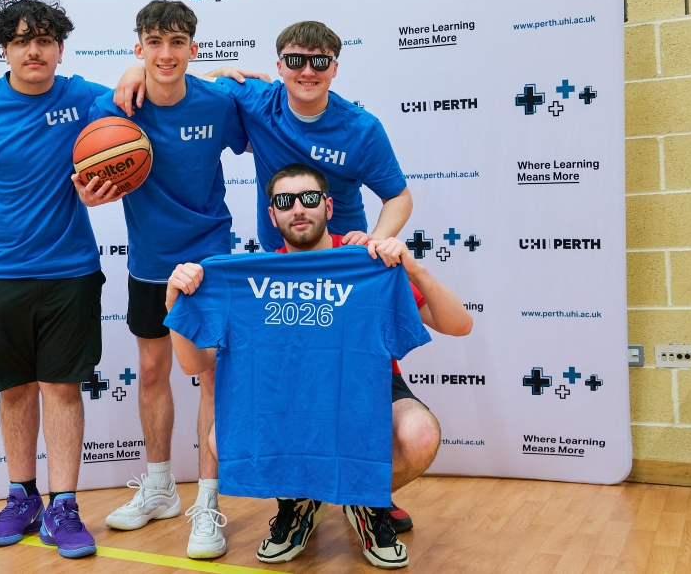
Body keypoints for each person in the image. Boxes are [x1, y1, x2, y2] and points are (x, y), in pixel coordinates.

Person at [163, 163, 472, 569]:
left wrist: (414, 268)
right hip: (286, 397)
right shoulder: (248, 277)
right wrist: (174, 303)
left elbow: (460, 325)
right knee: (224, 438)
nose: (298, 209)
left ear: (328, 206)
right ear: (272, 214)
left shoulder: (367, 261)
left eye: (309, 198)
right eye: (285, 201)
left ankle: (364, 500)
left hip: (366, 390)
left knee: (419, 434)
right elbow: (193, 365)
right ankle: (299, 503)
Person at [0, 0, 120, 559]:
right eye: (20, 41)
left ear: (59, 49)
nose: (33, 50)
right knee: (14, 390)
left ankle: (64, 506)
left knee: (62, 388)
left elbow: (146, 95)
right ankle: (21, 497)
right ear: (5, 50)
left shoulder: (84, 98)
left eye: (44, 40)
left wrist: (226, 75)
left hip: (71, 273)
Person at [78, 0, 247, 559]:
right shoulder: (115, 109)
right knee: (152, 370)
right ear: (139, 48)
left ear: (194, 49)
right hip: (149, 261)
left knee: (209, 376)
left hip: (208, 258)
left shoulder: (218, 102)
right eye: (154, 43)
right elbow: (86, 173)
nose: (166, 54)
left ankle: (208, 502)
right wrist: (89, 193)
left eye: (177, 43)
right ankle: (159, 488)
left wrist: (232, 73)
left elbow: (268, 98)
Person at [115, 20, 413, 252]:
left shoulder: (362, 129)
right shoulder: (257, 99)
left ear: (334, 69)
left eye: (320, 62)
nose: (308, 71)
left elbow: (398, 197)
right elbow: (178, 80)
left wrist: (377, 239)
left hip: (342, 254)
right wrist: (137, 70)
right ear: (279, 67)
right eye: (295, 61)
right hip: (278, 253)